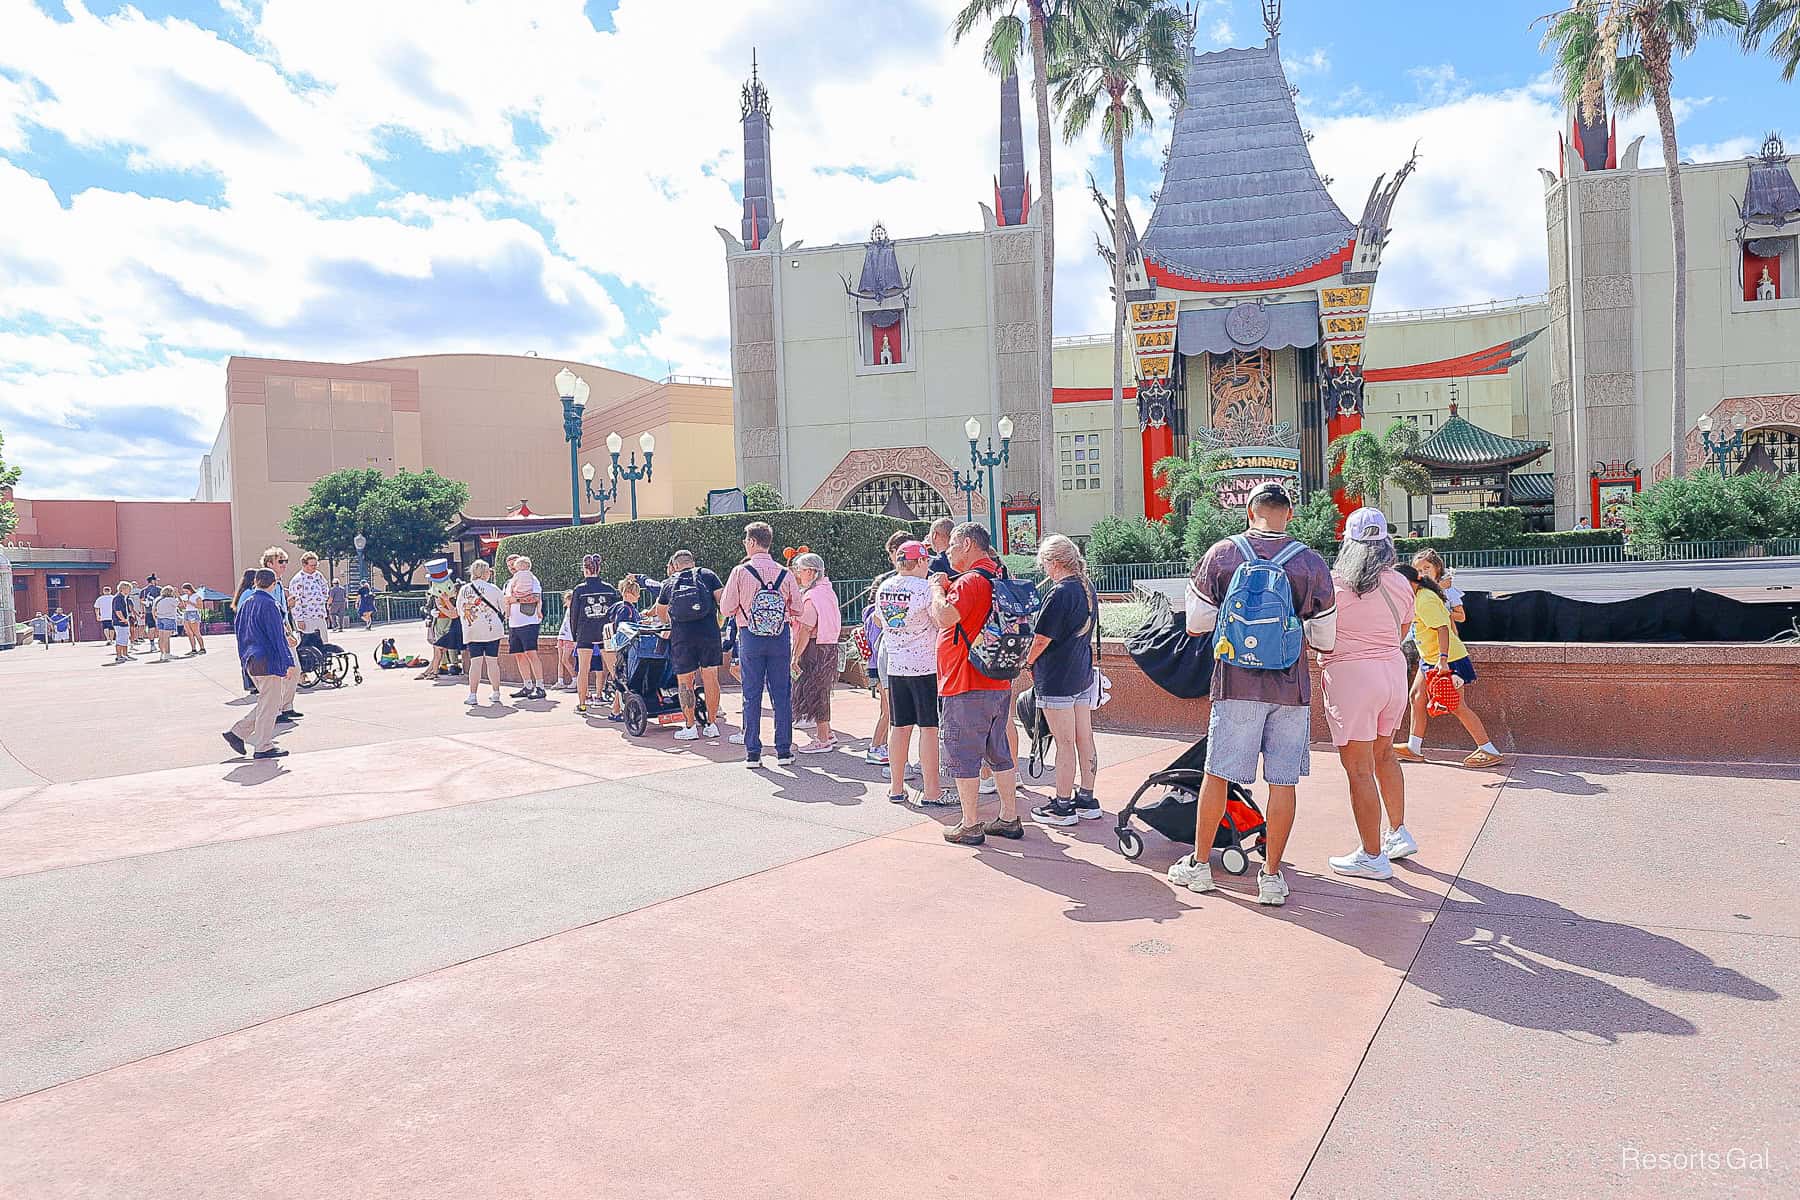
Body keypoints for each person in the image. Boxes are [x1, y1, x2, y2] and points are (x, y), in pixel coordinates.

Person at [1171, 481, 1337, 906]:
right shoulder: (1309, 562)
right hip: (1290, 688)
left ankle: (1200, 866)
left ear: (1249, 512)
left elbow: (1196, 624)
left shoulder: (1223, 554)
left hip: (1235, 684)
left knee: (1217, 775)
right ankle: (1271, 877)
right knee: (1282, 782)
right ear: (1290, 514)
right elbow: (1325, 639)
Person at [1318, 509, 1417, 880]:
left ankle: (1372, 856)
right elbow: (1402, 629)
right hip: (1393, 673)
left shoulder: (1335, 586)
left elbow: (1319, 636)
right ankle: (1397, 832)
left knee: (1359, 770)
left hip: (1352, 679)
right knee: (1385, 755)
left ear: (1348, 543)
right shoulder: (1400, 582)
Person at [930, 522, 1025, 844]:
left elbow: (945, 617)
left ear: (968, 544)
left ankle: (970, 824)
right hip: (997, 678)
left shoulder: (971, 581)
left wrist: (937, 589)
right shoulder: (999, 575)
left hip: (966, 681)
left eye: (952, 546)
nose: (947, 552)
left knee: (964, 756)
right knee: (1000, 753)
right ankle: (1009, 817)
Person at [1024, 534, 1103, 827]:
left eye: (1044, 563)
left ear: (1054, 562)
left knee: (1064, 743)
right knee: (1084, 738)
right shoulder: (1086, 587)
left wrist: (1027, 662)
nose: (1044, 569)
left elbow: (1041, 639)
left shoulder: (1059, 593)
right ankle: (1087, 798)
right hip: (1081, 672)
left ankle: (1063, 805)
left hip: (1056, 676)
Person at [1394, 563, 1504, 768]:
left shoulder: (1424, 599)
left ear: (1407, 582)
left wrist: (1443, 660)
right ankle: (1414, 748)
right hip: (1430, 659)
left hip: (1446, 659)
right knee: (1416, 697)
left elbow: (1443, 629)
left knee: (1456, 706)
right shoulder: (1416, 597)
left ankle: (1489, 749)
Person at [720, 521, 802, 767]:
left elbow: (726, 608)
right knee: (781, 693)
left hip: (750, 636)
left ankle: (753, 753)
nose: (745, 544)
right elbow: (798, 608)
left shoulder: (740, 572)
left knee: (751, 693)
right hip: (779, 636)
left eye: (746, 540)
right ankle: (783, 751)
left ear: (753, 542)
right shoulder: (784, 573)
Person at [875, 541, 951, 805]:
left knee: (899, 727)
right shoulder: (924, 588)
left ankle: (896, 787)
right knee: (929, 728)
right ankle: (932, 791)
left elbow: (879, 620)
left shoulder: (885, 587)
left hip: (896, 665)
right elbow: (940, 620)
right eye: (926, 560)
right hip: (925, 666)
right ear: (919, 561)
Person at [223, 568, 297, 760]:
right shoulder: (270, 604)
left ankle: (238, 733)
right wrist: (288, 662)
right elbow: (277, 637)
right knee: (271, 704)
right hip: (267, 660)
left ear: (255, 582)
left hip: (251, 659)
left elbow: (240, 634)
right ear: (274, 584)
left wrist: (244, 660)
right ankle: (263, 745)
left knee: (268, 701)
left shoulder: (246, 603)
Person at [655, 549, 726, 741]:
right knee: (710, 678)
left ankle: (690, 727)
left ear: (675, 565)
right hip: (709, 634)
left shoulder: (669, 583)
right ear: (692, 562)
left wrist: (672, 622)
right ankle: (711, 725)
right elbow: (723, 602)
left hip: (682, 637)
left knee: (685, 682)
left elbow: (661, 612)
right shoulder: (708, 575)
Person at [864, 530, 918, 770]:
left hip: (887, 653)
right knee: (890, 709)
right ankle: (877, 747)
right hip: (886, 653)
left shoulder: (888, 582)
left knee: (891, 709)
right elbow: (874, 619)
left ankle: (882, 749)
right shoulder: (890, 582)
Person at [788, 552, 841, 753]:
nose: (797, 574)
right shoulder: (827, 591)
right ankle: (827, 733)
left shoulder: (812, 596)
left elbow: (806, 628)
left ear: (810, 572)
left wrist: (795, 656)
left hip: (815, 648)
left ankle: (822, 739)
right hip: (829, 646)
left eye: (799, 570)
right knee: (822, 691)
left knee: (815, 692)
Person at [569, 554, 622, 716]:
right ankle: (619, 705)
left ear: (585, 569)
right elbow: (616, 611)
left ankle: (582, 705)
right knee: (614, 670)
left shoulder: (579, 590)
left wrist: (574, 636)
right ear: (599, 569)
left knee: (583, 670)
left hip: (585, 632)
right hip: (606, 632)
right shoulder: (609, 588)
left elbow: (573, 615)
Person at [457, 560, 507, 706]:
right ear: (485, 573)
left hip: (473, 630)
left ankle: (473, 695)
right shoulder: (493, 588)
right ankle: (496, 692)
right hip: (492, 630)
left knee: (475, 663)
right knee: (492, 661)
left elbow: (459, 610)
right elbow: (503, 609)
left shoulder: (464, 589)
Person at [504, 554, 546, 700]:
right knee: (519, 654)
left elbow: (535, 597)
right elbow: (506, 599)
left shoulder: (532, 579)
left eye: (513, 564)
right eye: (509, 566)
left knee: (531, 653)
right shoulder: (510, 582)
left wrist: (515, 599)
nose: (511, 568)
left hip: (529, 621)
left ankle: (540, 686)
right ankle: (527, 685)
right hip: (514, 623)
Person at [603, 577, 642, 721]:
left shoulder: (625, 608)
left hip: (621, 649)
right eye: (635, 593)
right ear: (627, 594)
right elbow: (624, 629)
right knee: (623, 680)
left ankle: (615, 711)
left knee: (622, 680)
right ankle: (616, 710)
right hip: (624, 650)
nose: (638, 596)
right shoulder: (626, 609)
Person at [289, 553, 330, 637]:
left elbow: (325, 588)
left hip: (319, 615)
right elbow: (296, 601)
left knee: (323, 641)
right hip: (306, 617)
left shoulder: (319, 576)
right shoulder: (298, 580)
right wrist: (299, 619)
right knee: (308, 642)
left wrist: (322, 599)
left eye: (316, 565)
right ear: (304, 565)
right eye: (312, 565)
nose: (314, 567)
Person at [234, 568, 259, 691]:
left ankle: (251, 684)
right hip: (250, 628)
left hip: (244, 629)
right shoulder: (250, 593)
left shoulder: (243, 593)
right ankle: (253, 683)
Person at [553, 591, 577, 691]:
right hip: (563, 635)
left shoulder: (574, 610)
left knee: (564, 659)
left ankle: (575, 679)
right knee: (560, 660)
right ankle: (560, 681)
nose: (567, 602)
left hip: (569, 638)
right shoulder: (568, 610)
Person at [151, 584, 181, 662]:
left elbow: (153, 610)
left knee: (161, 638)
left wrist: (155, 619)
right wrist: (178, 596)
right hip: (169, 619)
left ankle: (162, 654)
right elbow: (182, 605)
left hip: (159, 619)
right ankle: (167, 654)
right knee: (166, 638)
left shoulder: (157, 599)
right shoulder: (171, 600)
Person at [109, 581, 136, 664]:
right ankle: (119, 656)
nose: (130, 590)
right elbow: (118, 610)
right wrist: (123, 619)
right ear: (123, 589)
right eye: (128, 589)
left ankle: (125, 654)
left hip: (124, 622)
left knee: (125, 639)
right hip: (119, 622)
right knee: (120, 639)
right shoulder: (118, 598)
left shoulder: (124, 598)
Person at [179, 583, 205, 655]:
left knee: (196, 632)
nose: (185, 593)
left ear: (190, 589)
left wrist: (190, 603)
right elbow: (184, 606)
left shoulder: (196, 596)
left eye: (186, 591)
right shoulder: (186, 596)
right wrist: (182, 604)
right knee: (189, 633)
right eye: (184, 591)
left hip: (194, 613)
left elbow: (200, 607)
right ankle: (193, 649)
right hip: (186, 613)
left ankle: (202, 648)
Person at [95, 586, 114, 652]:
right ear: (110, 591)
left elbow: (96, 607)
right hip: (112, 616)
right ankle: (111, 639)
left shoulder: (100, 598)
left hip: (104, 616)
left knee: (105, 628)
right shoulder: (113, 598)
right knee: (111, 628)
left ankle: (108, 639)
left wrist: (97, 615)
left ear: (103, 591)